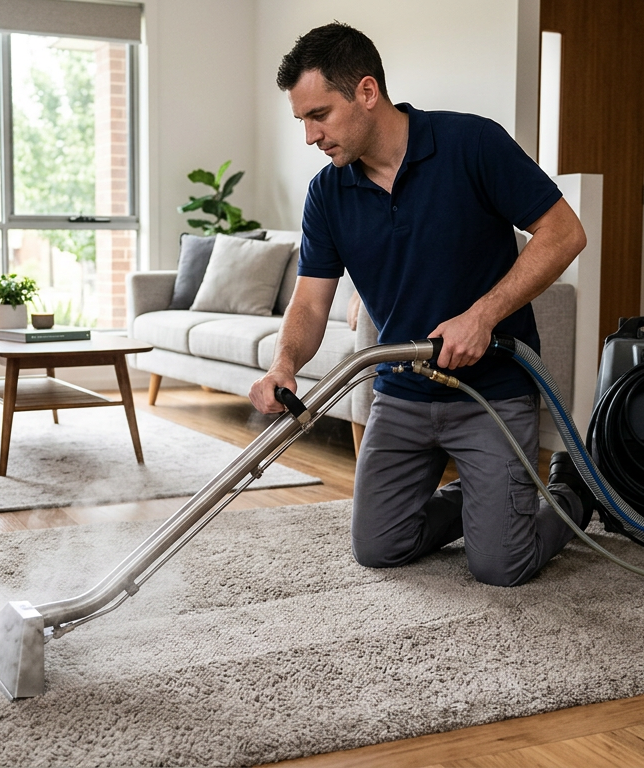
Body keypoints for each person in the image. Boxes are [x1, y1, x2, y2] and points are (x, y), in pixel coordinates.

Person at [249, 22, 594, 587]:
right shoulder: (328, 193)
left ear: (366, 92)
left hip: (491, 391)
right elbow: (310, 305)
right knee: (379, 547)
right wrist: (284, 362)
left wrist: (482, 316)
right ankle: (484, 500)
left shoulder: (471, 145)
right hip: (403, 393)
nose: (310, 136)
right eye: (302, 121)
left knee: (500, 565)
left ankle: (568, 497)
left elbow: (564, 234)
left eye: (319, 115)